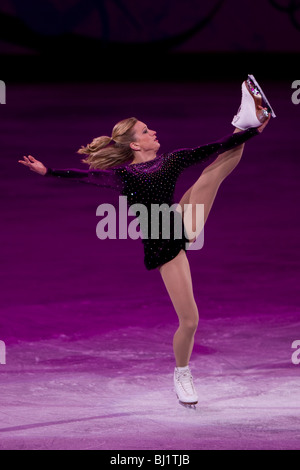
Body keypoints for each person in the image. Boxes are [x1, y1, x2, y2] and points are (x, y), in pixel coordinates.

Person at [18, 76, 274, 406]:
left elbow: (217, 146)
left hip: (180, 221)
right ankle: (182, 373)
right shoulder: (125, 177)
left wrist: (253, 131)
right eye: (144, 131)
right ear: (135, 146)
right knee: (190, 320)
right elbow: (85, 176)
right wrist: (48, 171)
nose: (152, 132)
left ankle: (244, 120)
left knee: (216, 170)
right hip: (163, 244)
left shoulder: (172, 160)